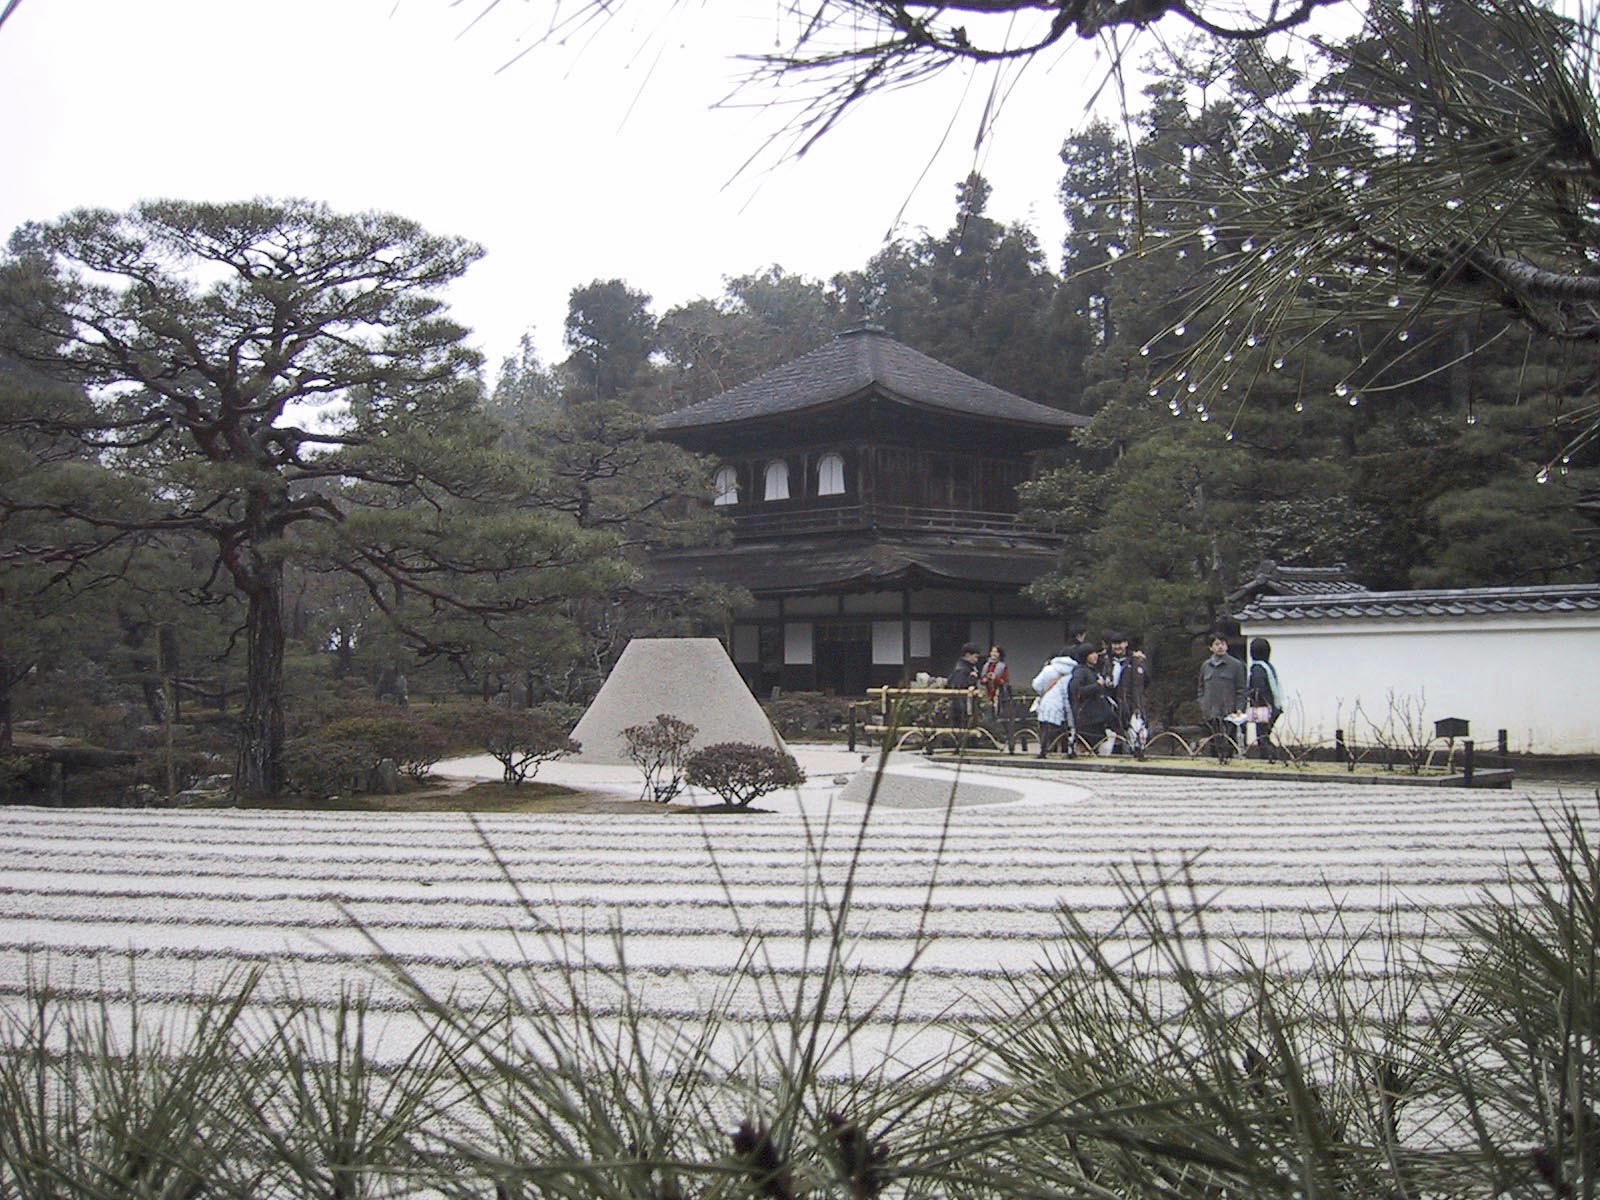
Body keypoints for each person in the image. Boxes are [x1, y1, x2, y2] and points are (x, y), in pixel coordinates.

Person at [1197, 633, 1247, 762]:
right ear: (1211, 647)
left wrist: (1239, 708)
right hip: (1211, 711)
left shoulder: (1236, 665)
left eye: (1223, 644)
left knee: (1228, 741)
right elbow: (1201, 688)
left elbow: (1241, 689)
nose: (1220, 647)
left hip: (1229, 711)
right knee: (1213, 741)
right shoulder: (1205, 666)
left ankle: (1228, 760)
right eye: (1217, 644)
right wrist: (1203, 704)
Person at [1103, 634, 1149, 754]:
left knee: (1134, 733)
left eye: (1120, 643)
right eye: (1115, 644)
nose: (1117, 647)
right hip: (1112, 704)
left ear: (1126, 644)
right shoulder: (1106, 661)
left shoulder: (1135, 661)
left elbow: (1144, 682)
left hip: (1131, 703)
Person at [1069, 644, 1117, 754]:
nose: (1095, 656)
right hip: (1087, 717)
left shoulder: (1093, 670)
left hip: (1098, 716)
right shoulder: (1080, 671)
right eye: (1091, 654)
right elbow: (1077, 691)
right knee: (1085, 746)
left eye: (1095, 653)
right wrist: (1096, 685)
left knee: (1098, 745)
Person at [1031, 647, 1078, 757]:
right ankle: (1067, 751)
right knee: (1066, 731)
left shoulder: (1049, 669)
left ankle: (1045, 751)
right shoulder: (1075, 671)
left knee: (1046, 730)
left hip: (1049, 702)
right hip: (1067, 703)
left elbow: (1036, 685)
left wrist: (1044, 690)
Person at [1248, 636, 1284, 763]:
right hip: (1273, 706)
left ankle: (1270, 757)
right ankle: (1271, 757)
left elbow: (1258, 689)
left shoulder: (1257, 668)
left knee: (1262, 736)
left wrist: (1250, 695)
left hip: (1263, 707)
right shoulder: (1268, 666)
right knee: (1265, 735)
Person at [948, 642, 983, 726]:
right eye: (975, 657)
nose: (976, 660)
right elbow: (959, 687)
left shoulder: (969, 667)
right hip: (961, 707)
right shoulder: (961, 670)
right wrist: (971, 680)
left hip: (968, 705)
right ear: (967, 655)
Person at [979, 645, 1011, 717]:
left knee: (997, 712)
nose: (993, 654)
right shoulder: (986, 665)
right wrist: (985, 679)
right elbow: (982, 679)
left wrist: (995, 678)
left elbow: (1005, 681)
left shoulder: (1003, 666)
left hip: (998, 693)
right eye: (992, 651)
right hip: (987, 692)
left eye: (996, 652)